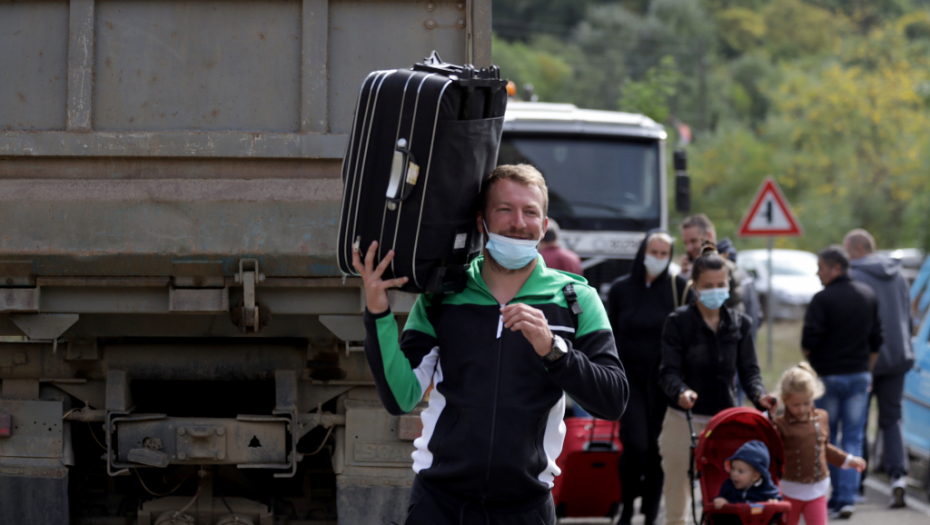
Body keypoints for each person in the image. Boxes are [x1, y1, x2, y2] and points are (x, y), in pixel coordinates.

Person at [354, 164, 628, 525]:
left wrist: (552, 348)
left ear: (544, 224)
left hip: (527, 507)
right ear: (481, 221)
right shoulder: (443, 295)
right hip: (440, 502)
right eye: (505, 209)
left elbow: (613, 400)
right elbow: (399, 397)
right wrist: (378, 311)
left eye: (530, 212)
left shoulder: (575, 298)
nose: (519, 222)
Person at [658, 242, 775, 525]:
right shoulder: (678, 322)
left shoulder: (740, 323)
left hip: (724, 423)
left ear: (729, 285)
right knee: (677, 501)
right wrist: (681, 391)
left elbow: (749, 371)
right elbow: (667, 372)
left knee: (725, 498)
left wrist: (759, 395)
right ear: (695, 287)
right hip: (683, 419)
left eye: (720, 285)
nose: (715, 291)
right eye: (708, 286)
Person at [607, 230, 694, 525]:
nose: (657, 258)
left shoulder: (678, 288)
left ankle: (650, 512)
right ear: (643, 252)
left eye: (663, 254)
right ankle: (627, 506)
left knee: (658, 450)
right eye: (653, 252)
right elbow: (609, 334)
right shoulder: (621, 289)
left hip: (664, 382)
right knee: (636, 445)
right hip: (628, 379)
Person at [801, 245, 882, 519]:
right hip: (859, 375)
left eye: (821, 268)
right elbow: (877, 340)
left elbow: (808, 340)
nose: (818, 273)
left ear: (836, 268)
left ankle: (836, 497)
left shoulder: (822, 299)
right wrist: (867, 371)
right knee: (853, 436)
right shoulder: (867, 295)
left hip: (828, 377)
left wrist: (813, 364)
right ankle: (848, 496)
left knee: (826, 437)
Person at [844, 229, 915, 507]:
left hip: (867, 360)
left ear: (857, 249)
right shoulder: (898, 275)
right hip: (897, 358)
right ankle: (898, 477)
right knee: (892, 419)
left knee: (858, 420)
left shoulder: (854, 276)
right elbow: (908, 318)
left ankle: (858, 485)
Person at [773, 363, 867, 525]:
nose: (801, 409)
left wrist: (847, 459)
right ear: (785, 400)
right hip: (789, 490)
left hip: (817, 490)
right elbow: (772, 455)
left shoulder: (821, 417)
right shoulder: (779, 425)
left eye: (806, 403)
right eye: (795, 405)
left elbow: (823, 447)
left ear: (813, 397)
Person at [712, 440, 783, 525]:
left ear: (755, 476)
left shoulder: (767, 490)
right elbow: (716, 511)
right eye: (732, 468)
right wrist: (721, 502)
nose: (734, 474)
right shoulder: (728, 487)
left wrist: (774, 504)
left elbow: (779, 512)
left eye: (740, 471)